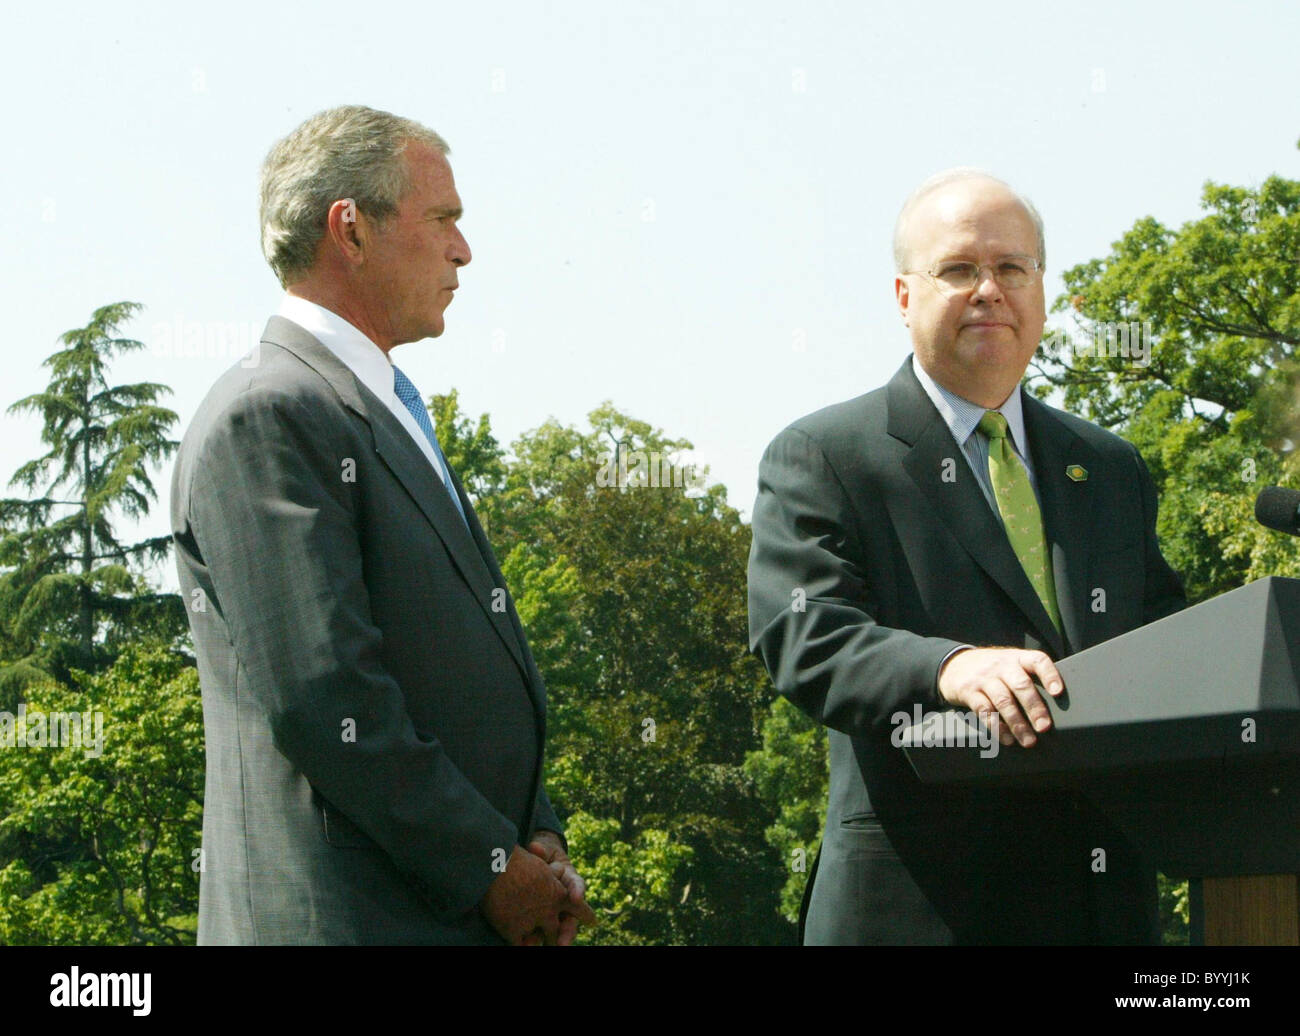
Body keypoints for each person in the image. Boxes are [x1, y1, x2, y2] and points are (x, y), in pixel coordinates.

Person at [171, 105, 594, 945]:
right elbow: (327, 696)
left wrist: (535, 836)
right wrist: (491, 868)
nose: (463, 249)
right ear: (351, 229)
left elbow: (459, 674)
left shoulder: (371, 409)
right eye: (443, 219)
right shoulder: (270, 413)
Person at [746, 168, 1186, 945]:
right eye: (958, 269)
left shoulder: (1109, 466)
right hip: (918, 907)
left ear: (1041, 289)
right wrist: (948, 668)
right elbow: (804, 636)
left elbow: (1166, 640)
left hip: (1099, 910)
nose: (989, 289)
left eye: (1012, 268)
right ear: (904, 296)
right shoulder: (826, 455)